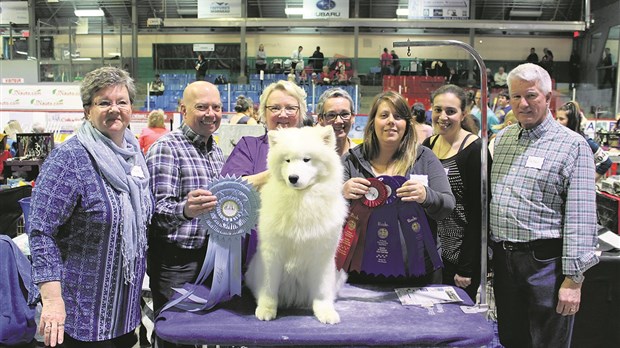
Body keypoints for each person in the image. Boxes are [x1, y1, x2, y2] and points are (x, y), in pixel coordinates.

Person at [28, 66, 153, 347]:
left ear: (131, 108)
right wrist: (51, 300)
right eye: (104, 102)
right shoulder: (69, 159)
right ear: (88, 110)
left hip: (122, 313)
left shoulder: (135, 157)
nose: (114, 109)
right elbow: (40, 232)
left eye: (122, 102)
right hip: (77, 317)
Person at [490, 63, 598, 347]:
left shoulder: (573, 146)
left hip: (545, 264)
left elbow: (581, 216)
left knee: (547, 341)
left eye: (531, 96)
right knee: (511, 338)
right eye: (515, 97)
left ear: (548, 98)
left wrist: (574, 280)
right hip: (504, 260)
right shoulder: (501, 142)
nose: (522, 104)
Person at [341, 91, 455, 285]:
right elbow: (325, 208)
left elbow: (448, 205)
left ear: (407, 124)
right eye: (384, 115)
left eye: (398, 116)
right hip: (360, 273)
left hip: (418, 273)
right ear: (372, 122)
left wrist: (426, 195)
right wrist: (341, 192)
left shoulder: (424, 157)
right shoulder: (351, 160)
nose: (391, 121)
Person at [146, 81, 225, 339]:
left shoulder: (217, 152)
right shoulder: (166, 148)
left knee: (205, 334)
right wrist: (185, 210)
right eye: (201, 107)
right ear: (183, 109)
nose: (210, 114)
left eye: (216, 107)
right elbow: (154, 215)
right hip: (175, 263)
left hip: (211, 260)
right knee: (175, 336)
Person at [422, 84, 483, 302]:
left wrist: (466, 267)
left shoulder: (475, 150)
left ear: (464, 114)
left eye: (451, 111)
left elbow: (478, 214)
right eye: (438, 110)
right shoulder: (428, 145)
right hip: (431, 252)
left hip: (459, 257)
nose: (442, 117)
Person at [220, 80, 307, 189]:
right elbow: (230, 186)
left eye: (290, 108)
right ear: (264, 113)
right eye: (275, 108)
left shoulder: (313, 148)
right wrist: (280, 173)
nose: (283, 114)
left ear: (301, 113)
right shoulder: (249, 147)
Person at [557, 101, 611, 181]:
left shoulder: (585, 142)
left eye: (561, 119)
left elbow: (606, 162)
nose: (557, 122)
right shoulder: (559, 140)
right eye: (557, 118)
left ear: (571, 121)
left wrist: (590, 182)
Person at [316, 87, 357, 157]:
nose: (338, 121)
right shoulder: (310, 156)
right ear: (320, 119)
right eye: (331, 115)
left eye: (344, 114)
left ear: (352, 117)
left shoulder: (363, 157)